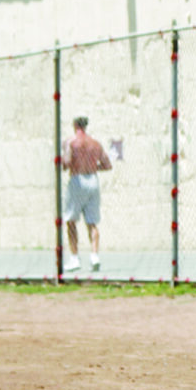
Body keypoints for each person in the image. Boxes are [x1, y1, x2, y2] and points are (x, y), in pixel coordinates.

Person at [62, 115, 110, 272]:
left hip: (77, 180)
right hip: (93, 182)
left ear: (75, 126)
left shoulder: (71, 142)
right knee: (92, 222)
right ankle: (94, 256)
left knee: (70, 221)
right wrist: (92, 167)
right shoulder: (96, 144)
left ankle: (75, 259)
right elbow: (107, 165)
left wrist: (61, 163)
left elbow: (67, 162)